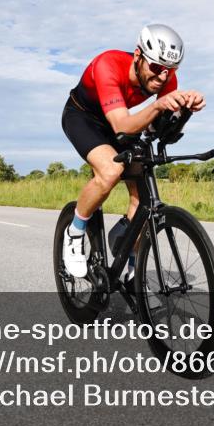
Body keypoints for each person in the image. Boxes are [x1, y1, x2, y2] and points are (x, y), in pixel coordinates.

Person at [61, 24, 205, 282]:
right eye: (156, 67)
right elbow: (122, 126)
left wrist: (184, 112)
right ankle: (74, 231)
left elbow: (157, 129)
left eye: (170, 70)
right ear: (138, 55)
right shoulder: (108, 64)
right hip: (84, 117)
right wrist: (159, 106)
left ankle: (129, 266)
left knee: (142, 195)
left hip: (121, 121)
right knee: (110, 171)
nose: (163, 77)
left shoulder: (166, 78)